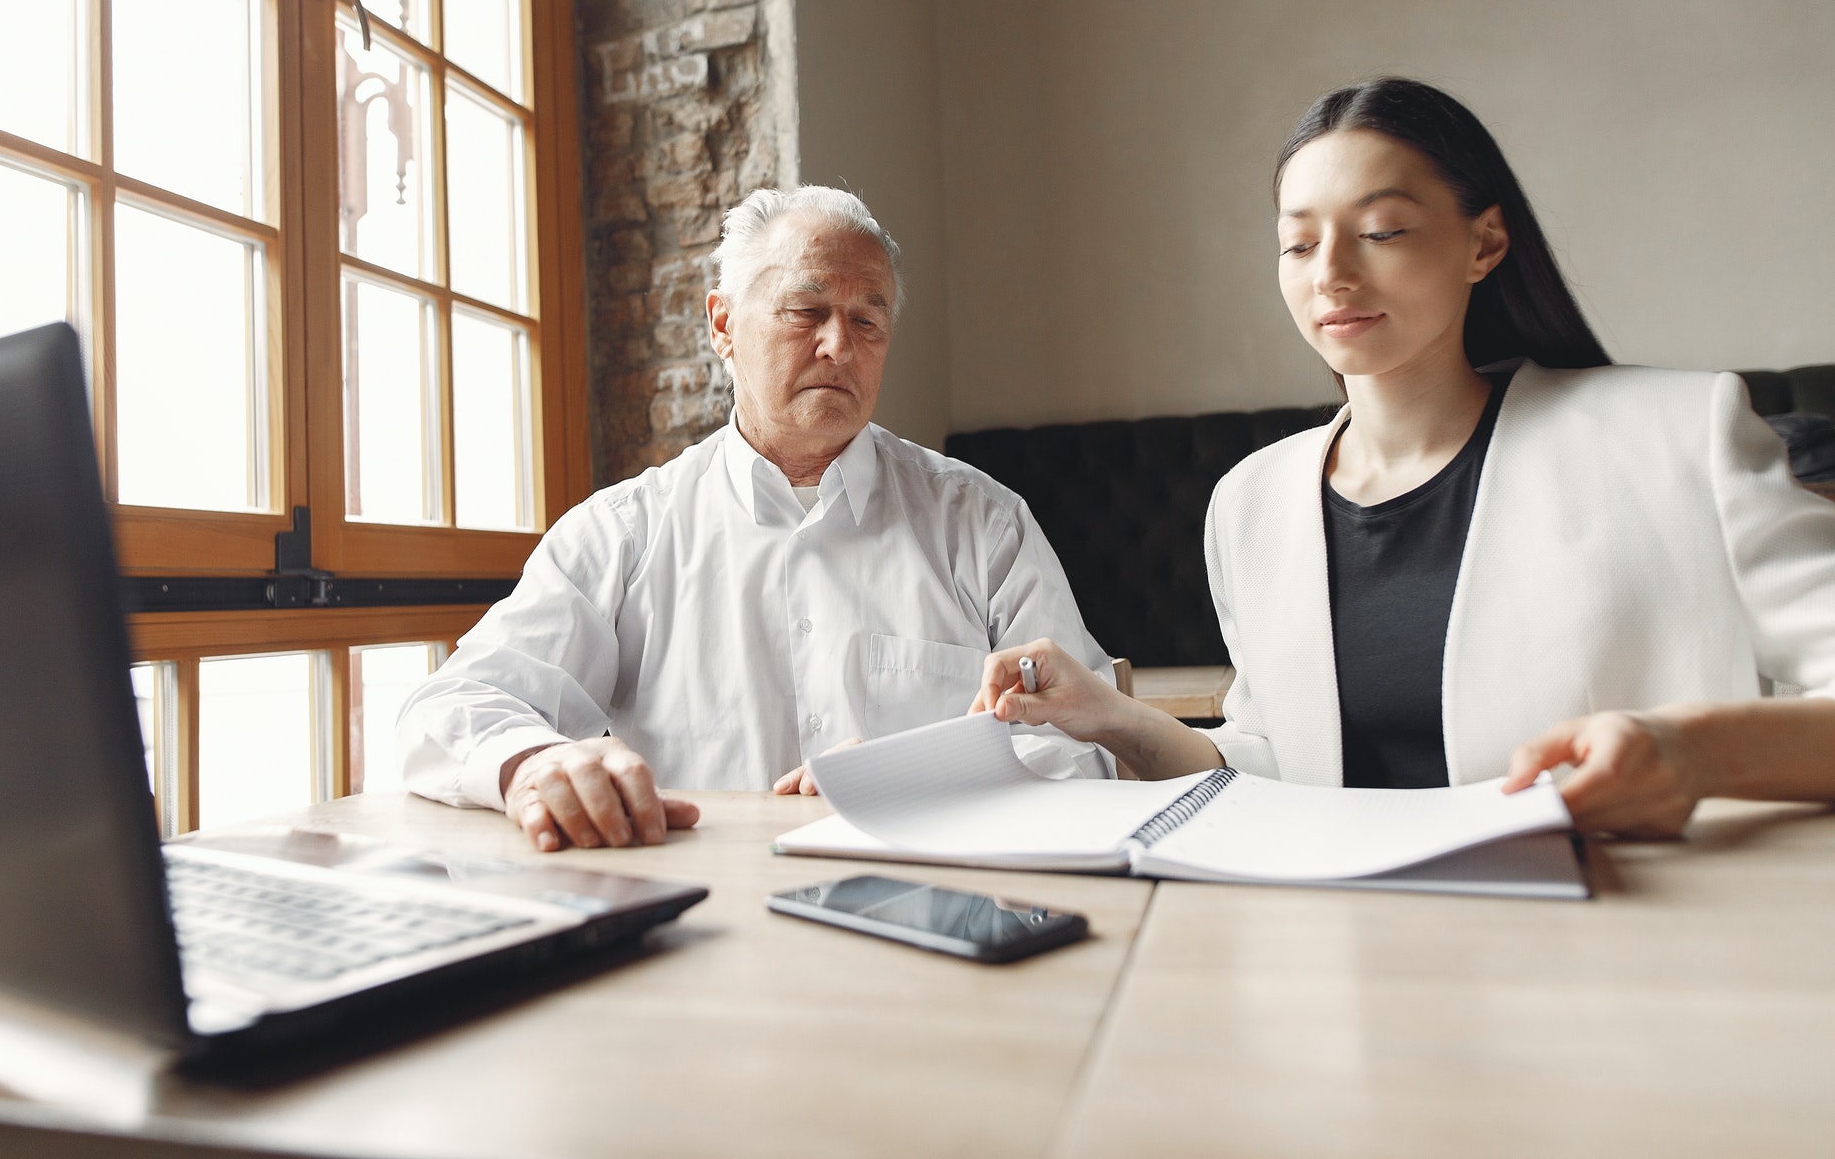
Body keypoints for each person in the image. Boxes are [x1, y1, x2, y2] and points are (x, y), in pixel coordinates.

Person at [971, 78, 1835, 838]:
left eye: (1381, 231)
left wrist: (1694, 754)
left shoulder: (1681, 435)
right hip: (1356, 966)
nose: (1332, 274)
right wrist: (1110, 718)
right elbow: (1277, 774)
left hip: (1635, 965)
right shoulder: (1253, 501)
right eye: (1300, 243)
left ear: (1485, 244)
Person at [401, 186, 1113, 851]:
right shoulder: (622, 534)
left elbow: (1093, 737)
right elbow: (451, 707)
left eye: (869, 320)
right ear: (722, 326)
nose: (840, 344)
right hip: (703, 930)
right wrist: (533, 765)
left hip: (942, 909)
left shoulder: (982, 522)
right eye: (806, 311)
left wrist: (928, 775)